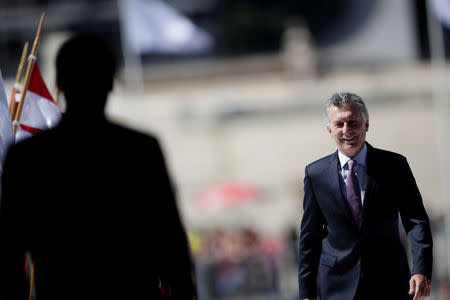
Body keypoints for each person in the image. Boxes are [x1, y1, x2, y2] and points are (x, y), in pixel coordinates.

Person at [0, 33, 196, 300]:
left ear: (60, 82)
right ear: (111, 81)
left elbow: (10, 251)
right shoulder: (140, 150)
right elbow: (171, 243)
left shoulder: (27, 158)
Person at [298, 92, 433, 300]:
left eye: (353, 122)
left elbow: (415, 219)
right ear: (329, 130)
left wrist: (421, 269)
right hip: (337, 286)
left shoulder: (394, 166)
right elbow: (310, 237)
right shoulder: (316, 174)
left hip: (390, 281)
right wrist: (306, 292)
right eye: (339, 124)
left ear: (366, 124)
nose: (346, 130)